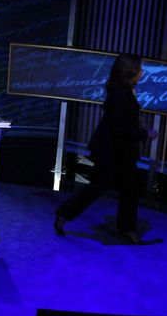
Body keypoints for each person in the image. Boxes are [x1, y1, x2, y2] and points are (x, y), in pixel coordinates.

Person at [54, 54, 158, 244]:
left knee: (129, 189)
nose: (142, 73)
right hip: (113, 151)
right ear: (129, 71)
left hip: (122, 151)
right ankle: (64, 214)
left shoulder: (124, 90)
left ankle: (127, 229)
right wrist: (145, 134)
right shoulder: (119, 94)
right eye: (139, 69)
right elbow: (119, 129)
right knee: (99, 186)